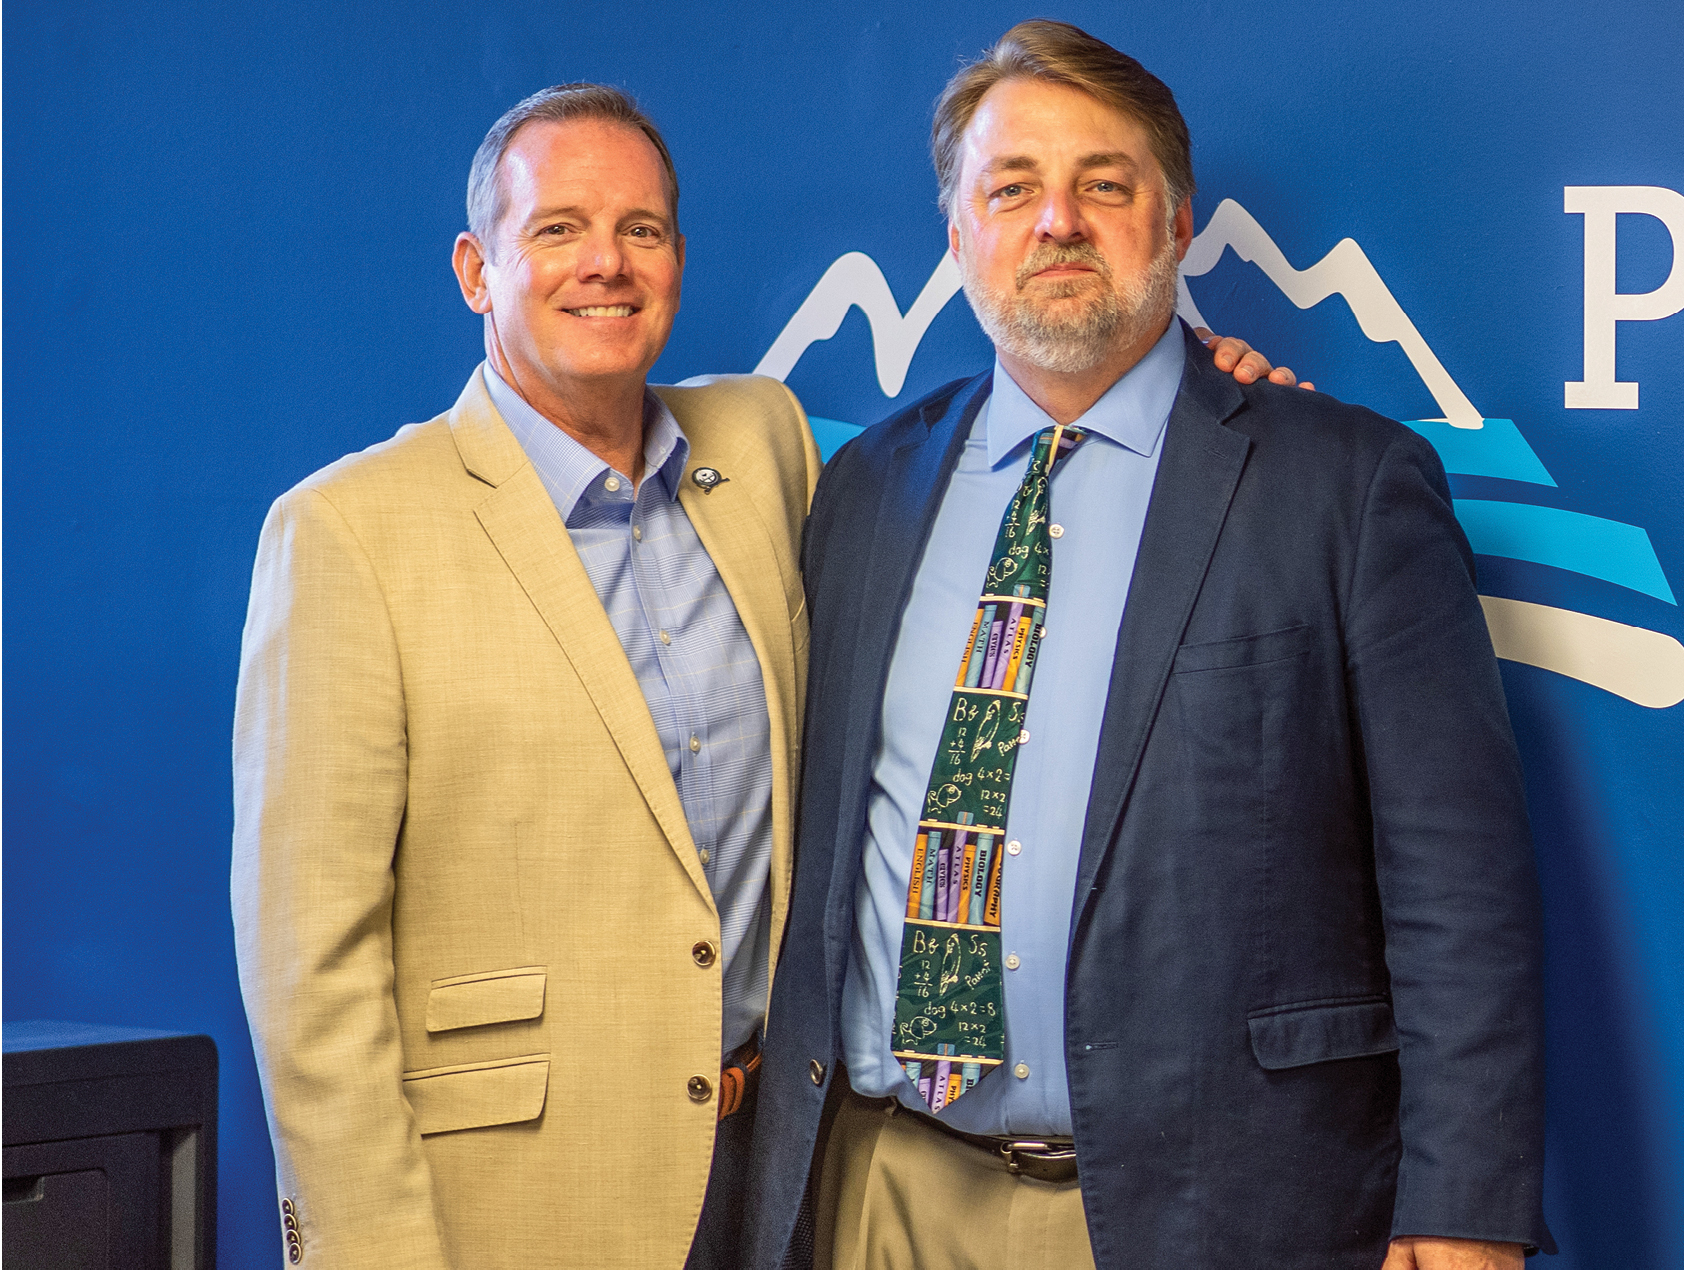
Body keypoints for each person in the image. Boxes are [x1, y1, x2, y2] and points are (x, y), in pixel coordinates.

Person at [230, 79, 1288, 1270]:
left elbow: (1050, 430)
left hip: (777, 1171)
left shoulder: (761, 445)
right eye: (558, 230)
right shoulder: (348, 531)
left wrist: (1195, 392)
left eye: (641, 230)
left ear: (679, 258)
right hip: (515, 1193)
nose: (607, 265)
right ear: (478, 270)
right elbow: (308, 966)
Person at [745, 20, 1554, 1270]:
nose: (1056, 220)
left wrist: (1464, 1208)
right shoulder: (863, 491)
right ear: (959, 234)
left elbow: (1459, 889)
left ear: (1175, 227)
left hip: (1207, 1203)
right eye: (1011, 188)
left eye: (1103, 186)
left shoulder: (1343, 486)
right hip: (878, 1190)